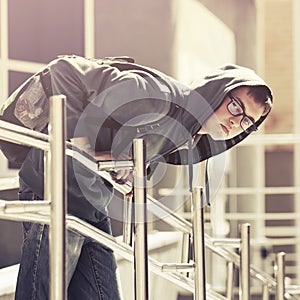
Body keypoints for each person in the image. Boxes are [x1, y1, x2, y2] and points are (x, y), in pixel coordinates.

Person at [6, 55, 272, 299]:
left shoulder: (186, 133)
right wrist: (81, 143)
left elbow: (135, 138)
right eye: (236, 106)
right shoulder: (160, 96)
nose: (237, 122)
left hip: (92, 202)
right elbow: (65, 71)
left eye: (248, 122)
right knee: (41, 293)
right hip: (57, 188)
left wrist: (134, 172)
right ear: (218, 90)